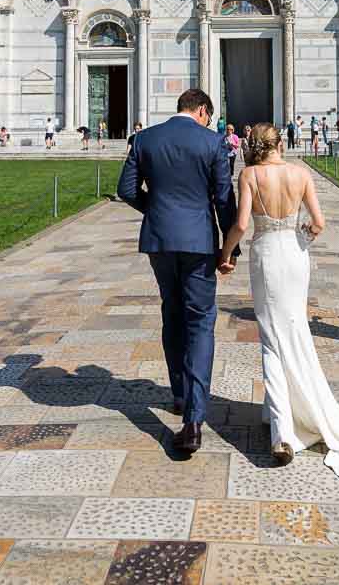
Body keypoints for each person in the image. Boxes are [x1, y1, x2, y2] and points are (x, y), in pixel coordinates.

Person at [218, 123, 339, 492]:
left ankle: (282, 432)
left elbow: (242, 223)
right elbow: (319, 223)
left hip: (267, 254)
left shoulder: (250, 174)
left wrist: (225, 255)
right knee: (294, 329)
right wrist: (300, 238)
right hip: (294, 254)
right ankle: (289, 411)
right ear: (280, 144)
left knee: (272, 338)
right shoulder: (300, 173)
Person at [117, 88, 237, 454]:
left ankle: (181, 395)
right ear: (202, 110)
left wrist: (157, 212)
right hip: (199, 243)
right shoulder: (214, 143)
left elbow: (125, 189)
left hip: (160, 241)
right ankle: (195, 419)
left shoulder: (145, 139)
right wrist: (230, 247)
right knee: (200, 322)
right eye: (208, 116)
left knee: (172, 314)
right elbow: (223, 199)